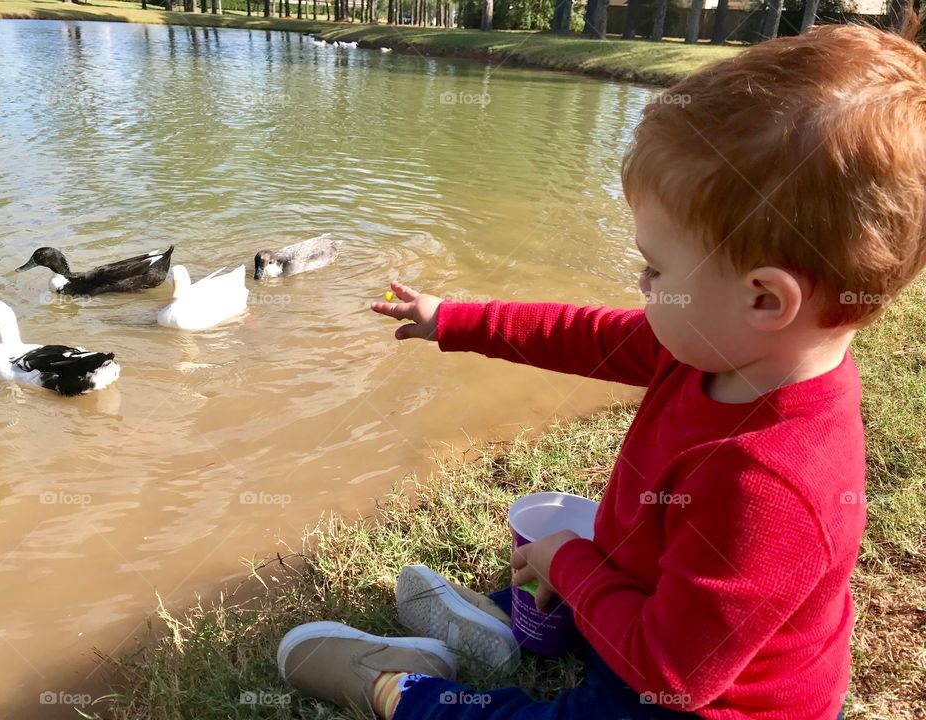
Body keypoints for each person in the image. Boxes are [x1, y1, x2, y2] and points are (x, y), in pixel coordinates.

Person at [276, 19, 926, 720]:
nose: (643, 288)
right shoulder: (725, 346)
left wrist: (568, 565)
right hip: (654, 613)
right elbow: (583, 336)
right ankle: (511, 625)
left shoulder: (769, 482)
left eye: (655, 267)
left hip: (697, 700)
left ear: (764, 297)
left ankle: (404, 693)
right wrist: (455, 321)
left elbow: (674, 674)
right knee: (585, 561)